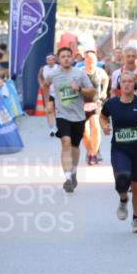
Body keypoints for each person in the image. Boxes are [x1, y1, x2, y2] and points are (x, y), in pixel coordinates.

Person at [100, 71, 137, 233]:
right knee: (122, 179)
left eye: (130, 81)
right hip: (120, 149)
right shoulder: (111, 104)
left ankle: (136, 218)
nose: (126, 84)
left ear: (135, 84)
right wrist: (104, 126)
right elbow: (103, 116)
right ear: (120, 84)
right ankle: (123, 199)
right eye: (123, 81)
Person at [41, 47, 96, 193]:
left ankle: (74, 171)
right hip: (62, 115)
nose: (66, 58)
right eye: (63, 56)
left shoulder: (80, 74)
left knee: (75, 147)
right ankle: (67, 178)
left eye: (68, 56)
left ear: (72, 58)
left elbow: (92, 91)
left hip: (78, 116)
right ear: (59, 59)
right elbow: (45, 85)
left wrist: (79, 89)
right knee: (66, 143)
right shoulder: (53, 75)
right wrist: (48, 102)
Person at [81, 51, 109, 166]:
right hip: (81, 105)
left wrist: (104, 91)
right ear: (85, 61)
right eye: (88, 60)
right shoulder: (79, 73)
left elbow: (106, 79)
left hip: (95, 103)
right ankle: (89, 151)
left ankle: (93, 153)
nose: (90, 62)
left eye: (92, 60)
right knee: (84, 132)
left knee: (96, 127)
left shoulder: (99, 71)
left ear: (96, 61)